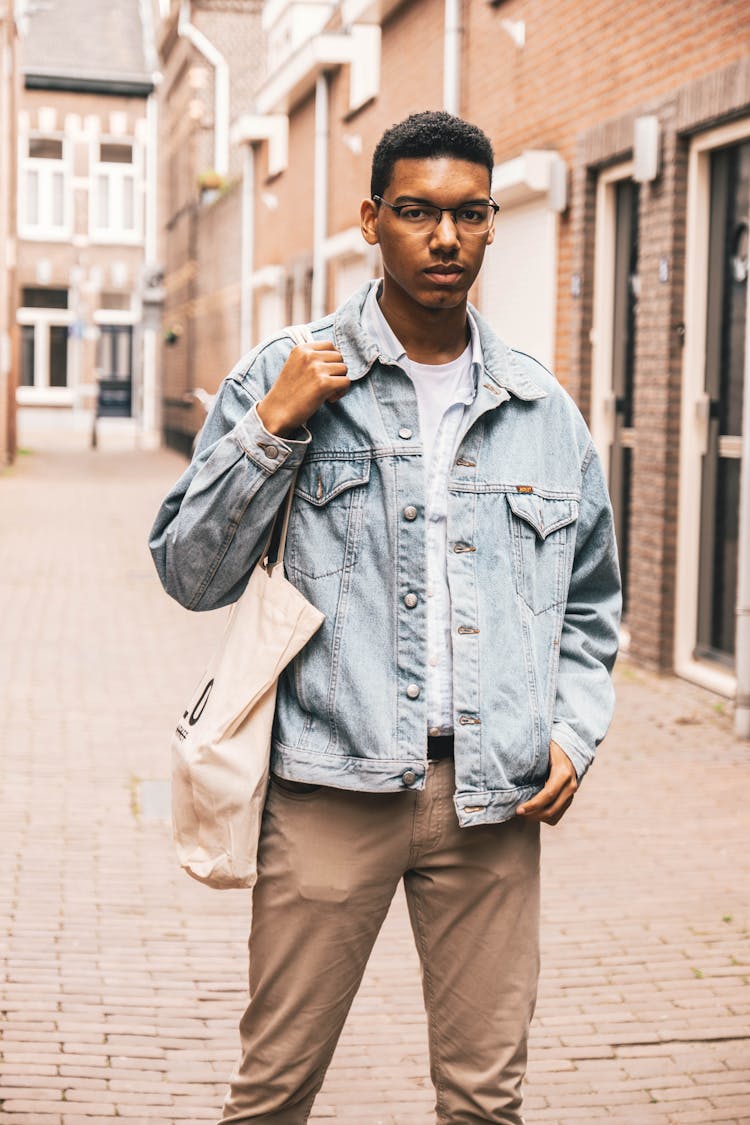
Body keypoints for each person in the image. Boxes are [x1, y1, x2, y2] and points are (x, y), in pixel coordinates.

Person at [150, 110, 621, 1125]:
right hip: (329, 790)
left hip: (493, 803)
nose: (444, 238)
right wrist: (271, 428)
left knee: (487, 1101)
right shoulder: (293, 373)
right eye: (416, 212)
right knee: (273, 1092)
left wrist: (576, 730)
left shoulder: (543, 411)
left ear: (493, 224)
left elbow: (590, 602)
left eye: (467, 214)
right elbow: (190, 574)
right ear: (372, 220)